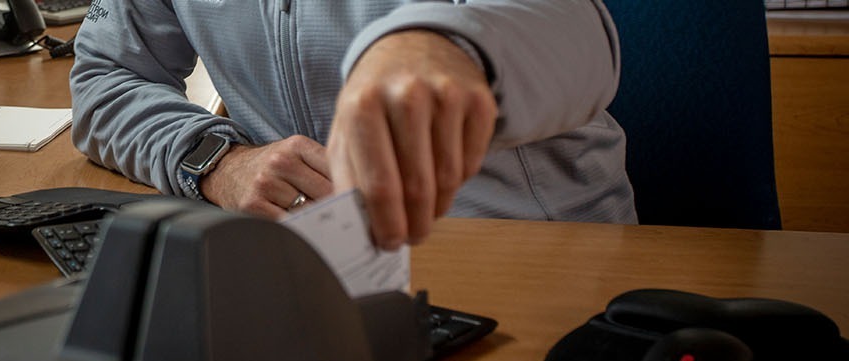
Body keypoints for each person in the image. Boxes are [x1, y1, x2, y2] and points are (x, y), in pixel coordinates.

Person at [69, 0, 637, 250]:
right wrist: (218, 162)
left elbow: (583, 33)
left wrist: (442, 44)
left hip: (533, 259)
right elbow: (105, 79)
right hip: (317, 269)